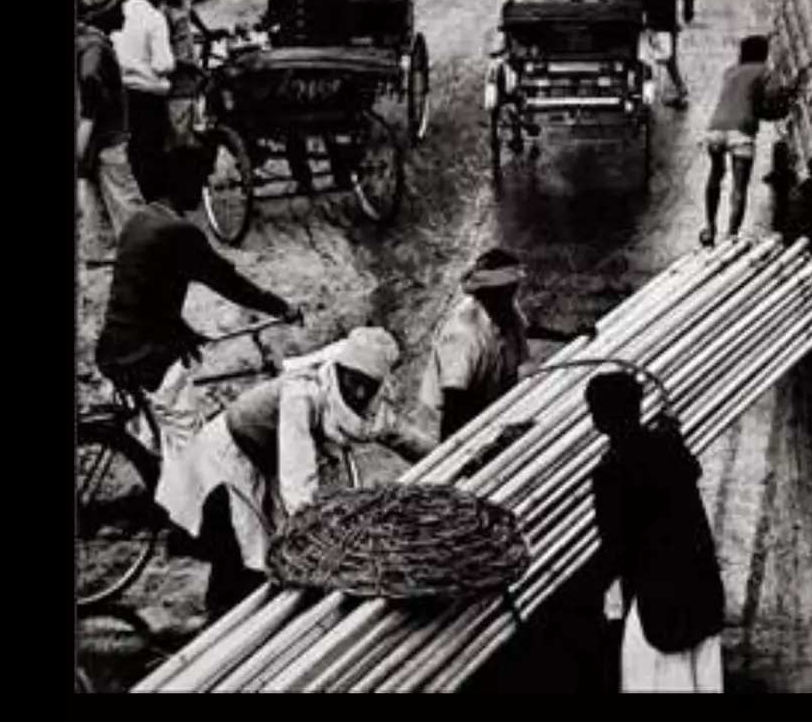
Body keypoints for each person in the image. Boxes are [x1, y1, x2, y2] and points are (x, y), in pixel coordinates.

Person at [160, 326, 433, 619]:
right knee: (241, 552)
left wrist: (455, 450)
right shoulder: (303, 393)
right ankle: (221, 623)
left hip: (263, 463)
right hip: (229, 459)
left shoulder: (369, 406)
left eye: (368, 385)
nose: (359, 392)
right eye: (353, 381)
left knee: (260, 551)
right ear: (340, 370)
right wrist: (317, 539)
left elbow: (401, 434)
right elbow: (297, 476)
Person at [93, 157, 297, 499]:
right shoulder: (178, 232)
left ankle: (155, 489)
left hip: (118, 346)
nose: (201, 192)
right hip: (146, 354)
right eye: (198, 183)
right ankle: (187, 520)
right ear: (180, 186)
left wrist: (183, 331)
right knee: (191, 449)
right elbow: (228, 282)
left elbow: (145, 293)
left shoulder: (139, 221)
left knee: (160, 430)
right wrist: (281, 307)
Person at [589, 371, 725, 693]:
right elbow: (687, 466)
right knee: (703, 680)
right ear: (638, 409)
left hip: (660, 604)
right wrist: (669, 432)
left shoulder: (610, 472)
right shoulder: (669, 448)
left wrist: (594, 590)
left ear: (598, 420)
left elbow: (615, 550)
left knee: (654, 679)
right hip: (701, 588)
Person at [420, 248, 530, 440]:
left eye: (513, 289)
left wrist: (566, 336)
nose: (513, 296)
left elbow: (525, 329)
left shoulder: (505, 310)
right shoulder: (464, 335)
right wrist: (452, 454)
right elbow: (453, 402)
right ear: (489, 293)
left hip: (485, 409)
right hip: (456, 420)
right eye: (508, 291)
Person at [77, 0, 140, 264]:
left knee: (94, 195)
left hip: (92, 137)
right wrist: (91, 117)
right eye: (118, 8)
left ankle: (96, 249)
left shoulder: (85, 42)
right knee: (124, 194)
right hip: (106, 135)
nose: (124, 13)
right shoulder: (97, 47)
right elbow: (90, 79)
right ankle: (143, 248)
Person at [699, 35, 785, 247]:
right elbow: (768, 107)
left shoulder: (729, 71)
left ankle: (709, 227)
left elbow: (737, 98)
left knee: (715, 175)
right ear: (764, 53)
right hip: (742, 131)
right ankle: (731, 236)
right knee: (739, 187)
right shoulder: (766, 72)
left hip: (716, 128)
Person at [114, 0, 179, 202]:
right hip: (148, 92)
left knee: (132, 147)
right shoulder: (155, 19)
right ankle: (152, 201)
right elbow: (163, 64)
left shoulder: (122, 10)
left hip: (123, 90)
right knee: (150, 149)